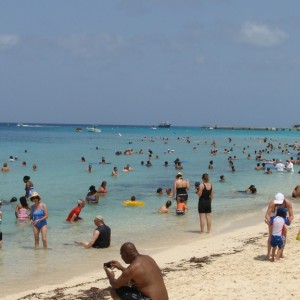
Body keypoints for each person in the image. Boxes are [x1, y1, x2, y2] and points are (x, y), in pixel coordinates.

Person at [104, 242, 168, 300]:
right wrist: (121, 267)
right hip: (164, 298)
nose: (121, 257)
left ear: (126, 253)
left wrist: (110, 277)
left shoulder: (133, 268)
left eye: (121, 254)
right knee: (129, 285)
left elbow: (115, 284)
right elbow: (137, 275)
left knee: (114, 290)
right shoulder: (148, 258)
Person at [265, 193, 294, 259]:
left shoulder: (288, 203)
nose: (278, 205)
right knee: (270, 236)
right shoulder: (272, 203)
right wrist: (270, 222)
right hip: (273, 217)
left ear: (283, 200)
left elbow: (291, 215)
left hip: (283, 218)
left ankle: (281, 253)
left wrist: (288, 220)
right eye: (277, 203)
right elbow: (267, 214)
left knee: (284, 236)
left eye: (280, 203)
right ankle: (268, 254)